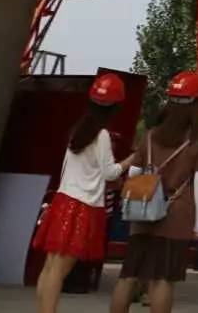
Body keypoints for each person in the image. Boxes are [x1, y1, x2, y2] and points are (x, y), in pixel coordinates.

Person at [110, 71, 198, 313]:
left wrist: (133, 202)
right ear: (196, 103)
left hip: (142, 209)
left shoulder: (150, 135)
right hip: (175, 215)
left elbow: (133, 175)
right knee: (163, 280)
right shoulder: (197, 142)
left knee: (129, 275)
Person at [32, 73, 133, 313]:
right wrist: (132, 160)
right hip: (82, 206)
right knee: (60, 270)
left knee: (49, 267)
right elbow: (110, 173)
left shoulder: (79, 130)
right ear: (116, 106)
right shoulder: (102, 135)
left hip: (63, 201)